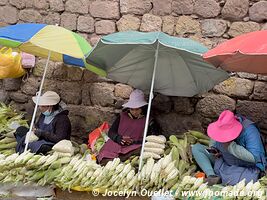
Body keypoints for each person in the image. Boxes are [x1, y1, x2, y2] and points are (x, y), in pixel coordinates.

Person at [192, 110, 266, 186]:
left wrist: (231, 146)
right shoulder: (221, 125)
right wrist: (214, 149)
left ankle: (226, 176)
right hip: (224, 160)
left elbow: (254, 158)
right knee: (197, 148)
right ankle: (212, 176)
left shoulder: (250, 131)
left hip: (245, 166)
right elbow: (214, 140)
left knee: (245, 180)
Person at [97, 89, 160, 164]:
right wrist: (119, 138)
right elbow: (111, 132)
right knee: (105, 151)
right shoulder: (123, 116)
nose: (134, 112)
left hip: (134, 146)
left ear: (142, 108)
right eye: (132, 109)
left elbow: (152, 139)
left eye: (137, 109)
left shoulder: (148, 120)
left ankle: (118, 161)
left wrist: (135, 141)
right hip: (118, 143)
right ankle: (113, 160)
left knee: (141, 151)